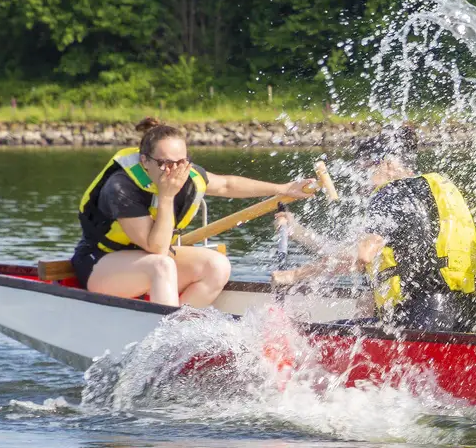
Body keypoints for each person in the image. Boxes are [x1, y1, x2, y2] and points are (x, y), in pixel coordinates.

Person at [73, 118, 310, 307]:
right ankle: (165, 341)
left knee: (218, 265)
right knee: (161, 265)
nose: (174, 171)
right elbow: (155, 249)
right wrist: (166, 196)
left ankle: (176, 328)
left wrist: (284, 188)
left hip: (150, 262)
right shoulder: (120, 188)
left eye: (181, 162)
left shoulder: (188, 174)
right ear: (145, 161)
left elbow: (228, 185)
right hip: (100, 264)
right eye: (165, 163)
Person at [274, 130, 476, 331]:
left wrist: (295, 275)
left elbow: (361, 257)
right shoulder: (425, 191)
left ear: (388, 164)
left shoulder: (388, 194)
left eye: (364, 169)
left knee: (308, 334)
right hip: (465, 318)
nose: (360, 179)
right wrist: (298, 232)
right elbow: (348, 253)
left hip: (424, 321)